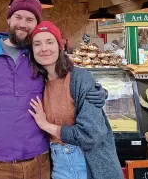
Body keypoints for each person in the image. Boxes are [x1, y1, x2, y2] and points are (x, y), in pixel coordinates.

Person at [0, 0, 107, 179]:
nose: (23, 23)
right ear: (9, 19)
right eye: (18, 17)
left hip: (39, 158)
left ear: (36, 25)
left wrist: (95, 91)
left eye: (30, 19)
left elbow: (65, 78)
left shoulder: (37, 54)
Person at [28, 21, 123, 179]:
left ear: (60, 46)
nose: (43, 48)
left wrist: (46, 125)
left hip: (86, 163)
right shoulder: (38, 83)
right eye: (37, 44)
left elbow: (90, 134)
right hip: (57, 162)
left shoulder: (79, 78)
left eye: (49, 42)